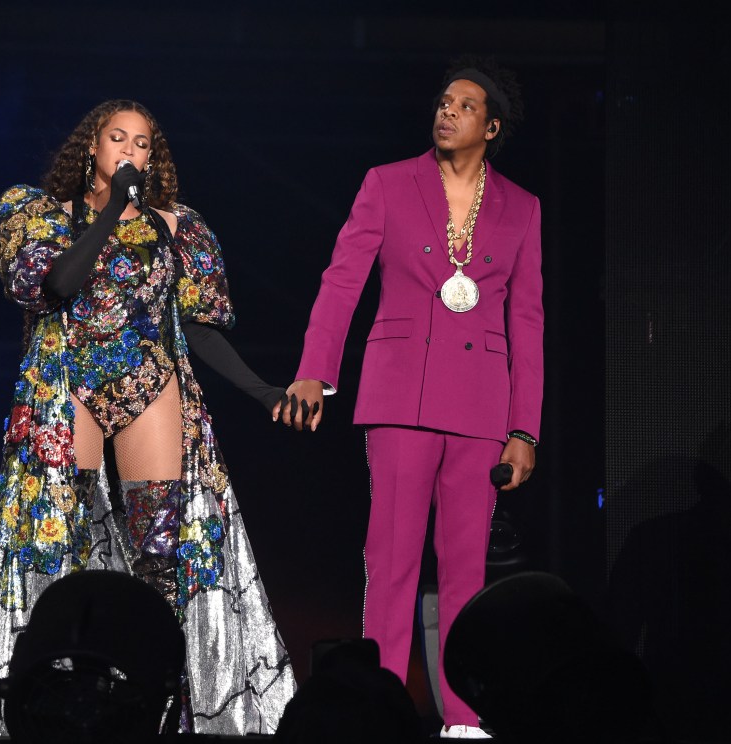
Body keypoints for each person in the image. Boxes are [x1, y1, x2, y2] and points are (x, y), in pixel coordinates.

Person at [0, 99, 296, 737]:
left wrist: (261, 390)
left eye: (142, 144)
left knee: (159, 549)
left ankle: (159, 699)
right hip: (66, 379)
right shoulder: (33, 211)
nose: (129, 152)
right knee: (62, 538)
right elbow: (55, 285)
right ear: (92, 148)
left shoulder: (176, 224)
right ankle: (63, 691)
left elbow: (197, 325)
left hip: (148, 378)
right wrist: (112, 210)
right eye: (117, 139)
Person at [274, 56, 543, 739]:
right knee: (390, 562)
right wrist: (315, 369)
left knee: (466, 572)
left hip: (482, 407)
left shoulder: (522, 208)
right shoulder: (388, 184)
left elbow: (528, 323)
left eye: (464, 105)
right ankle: (379, 712)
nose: (446, 111)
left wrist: (525, 429)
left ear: (492, 126)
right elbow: (343, 280)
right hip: (399, 399)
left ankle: (464, 718)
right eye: (443, 101)